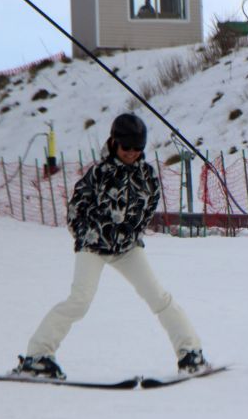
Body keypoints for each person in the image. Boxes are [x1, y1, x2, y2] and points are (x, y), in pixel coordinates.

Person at [14, 113, 210, 380]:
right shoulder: (99, 173)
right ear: (114, 143)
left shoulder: (147, 176)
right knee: (79, 301)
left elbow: (148, 208)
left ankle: (191, 353)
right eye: (126, 147)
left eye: (137, 148)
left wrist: (130, 234)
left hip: (127, 248)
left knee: (158, 297)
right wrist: (87, 234)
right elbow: (75, 210)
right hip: (94, 245)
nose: (131, 153)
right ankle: (37, 356)